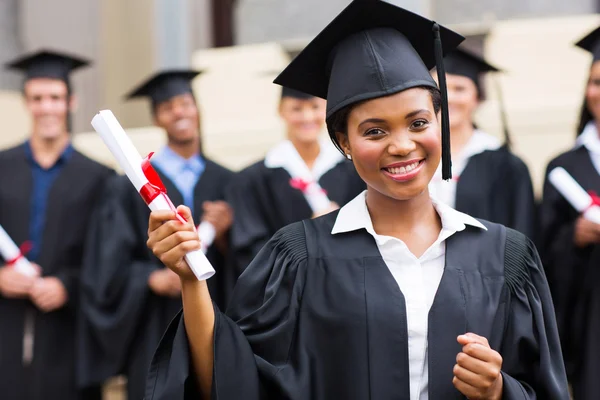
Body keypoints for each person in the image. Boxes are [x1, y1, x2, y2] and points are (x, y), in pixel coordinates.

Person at [144, 1, 569, 399]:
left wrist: (498, 390)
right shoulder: (299, 257)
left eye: (418, 122)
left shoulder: (506, 256)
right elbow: (231, 376)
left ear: (440, 121)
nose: (402, 145)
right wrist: (190, 279)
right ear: (343, 142)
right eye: (375, 131)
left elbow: (545, 387)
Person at [77, 70, 235, 400]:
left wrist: (224, 236)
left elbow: (251, 260)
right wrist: (150, 279)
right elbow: (107, 262)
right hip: (153, 328)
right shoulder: (129, 187)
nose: (178, 112)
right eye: (167, 107)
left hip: (218, 322)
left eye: (185, 103)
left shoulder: (229, 181)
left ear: (197, 110)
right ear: (157, 119)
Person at [0, 50, 113, 400]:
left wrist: (69, 285)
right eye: (37, 98)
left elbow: (108, 257)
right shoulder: (2, 168)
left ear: (71, 102)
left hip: (69, 328)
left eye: (55, 98)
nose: (46, 107)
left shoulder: (100, 179)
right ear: (26, 102)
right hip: (6, 321)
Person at [226, 84, 365, 270]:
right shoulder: (252, 180)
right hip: (289, 291)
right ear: (280, 110)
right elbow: (252, 252)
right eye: (297, 109)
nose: (307, 117)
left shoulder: (355, 171)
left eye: (315, 107)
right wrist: (309, 237)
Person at [539, 25, 600, 399]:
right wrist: (574, 236)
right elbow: (543, 249)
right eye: (595, 81)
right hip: (591, 323)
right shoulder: (564, 166)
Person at [428, 46, 536, 239]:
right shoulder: (411, 157)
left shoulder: (507, 166)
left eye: (459, 89)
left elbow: (522, 236)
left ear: (478, 98)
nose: (448, 97)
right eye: (439, 88)